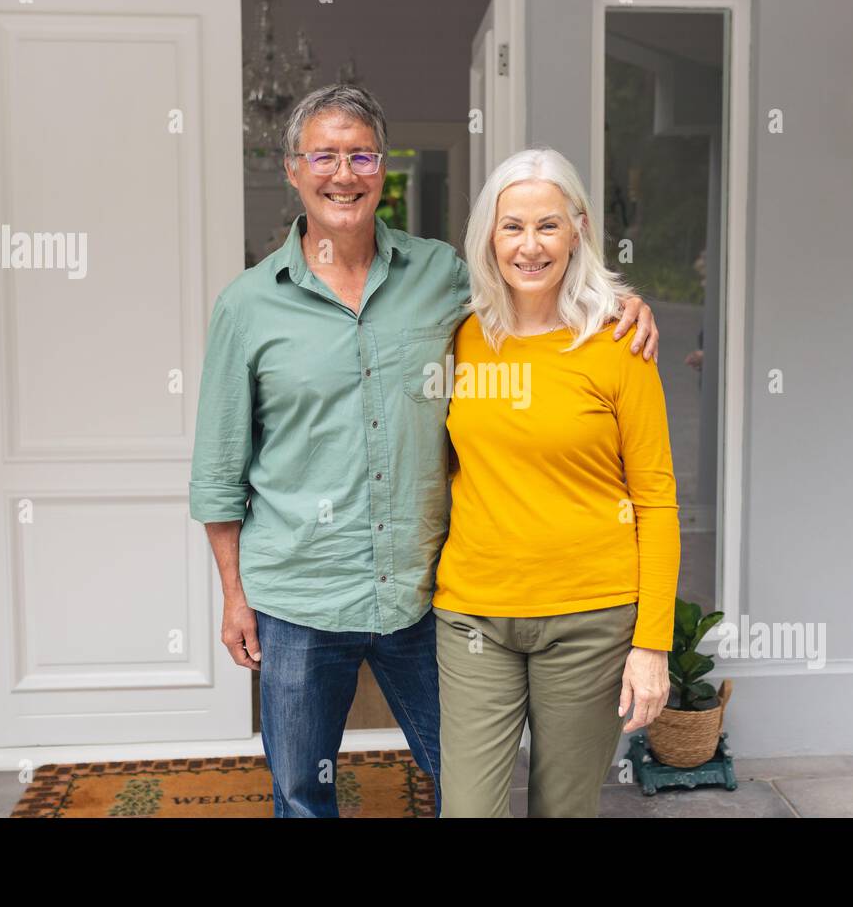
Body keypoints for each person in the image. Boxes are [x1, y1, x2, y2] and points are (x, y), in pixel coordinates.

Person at [187, 84, 660, 817]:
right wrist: (233, 595)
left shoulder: (444, 277)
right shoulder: (246, 307)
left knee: (466, 789)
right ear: (292, 168)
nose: (343, 173)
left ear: (383, 168)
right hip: (299, 598)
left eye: (361, 155)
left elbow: (537, 284)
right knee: (300, 795)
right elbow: (219, 473)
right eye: (324, 155)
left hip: (423, 596)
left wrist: (621, 301)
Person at [432, 147, 680, 817]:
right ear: (489, 234)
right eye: (513, 226)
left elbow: (656, 501)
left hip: (590, 619)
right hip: (474, 614)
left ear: (579, 230)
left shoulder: (621, 344)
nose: (530, 246)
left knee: (563, 810)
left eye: (548, 226)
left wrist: (651, 645)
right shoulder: (457, 337)